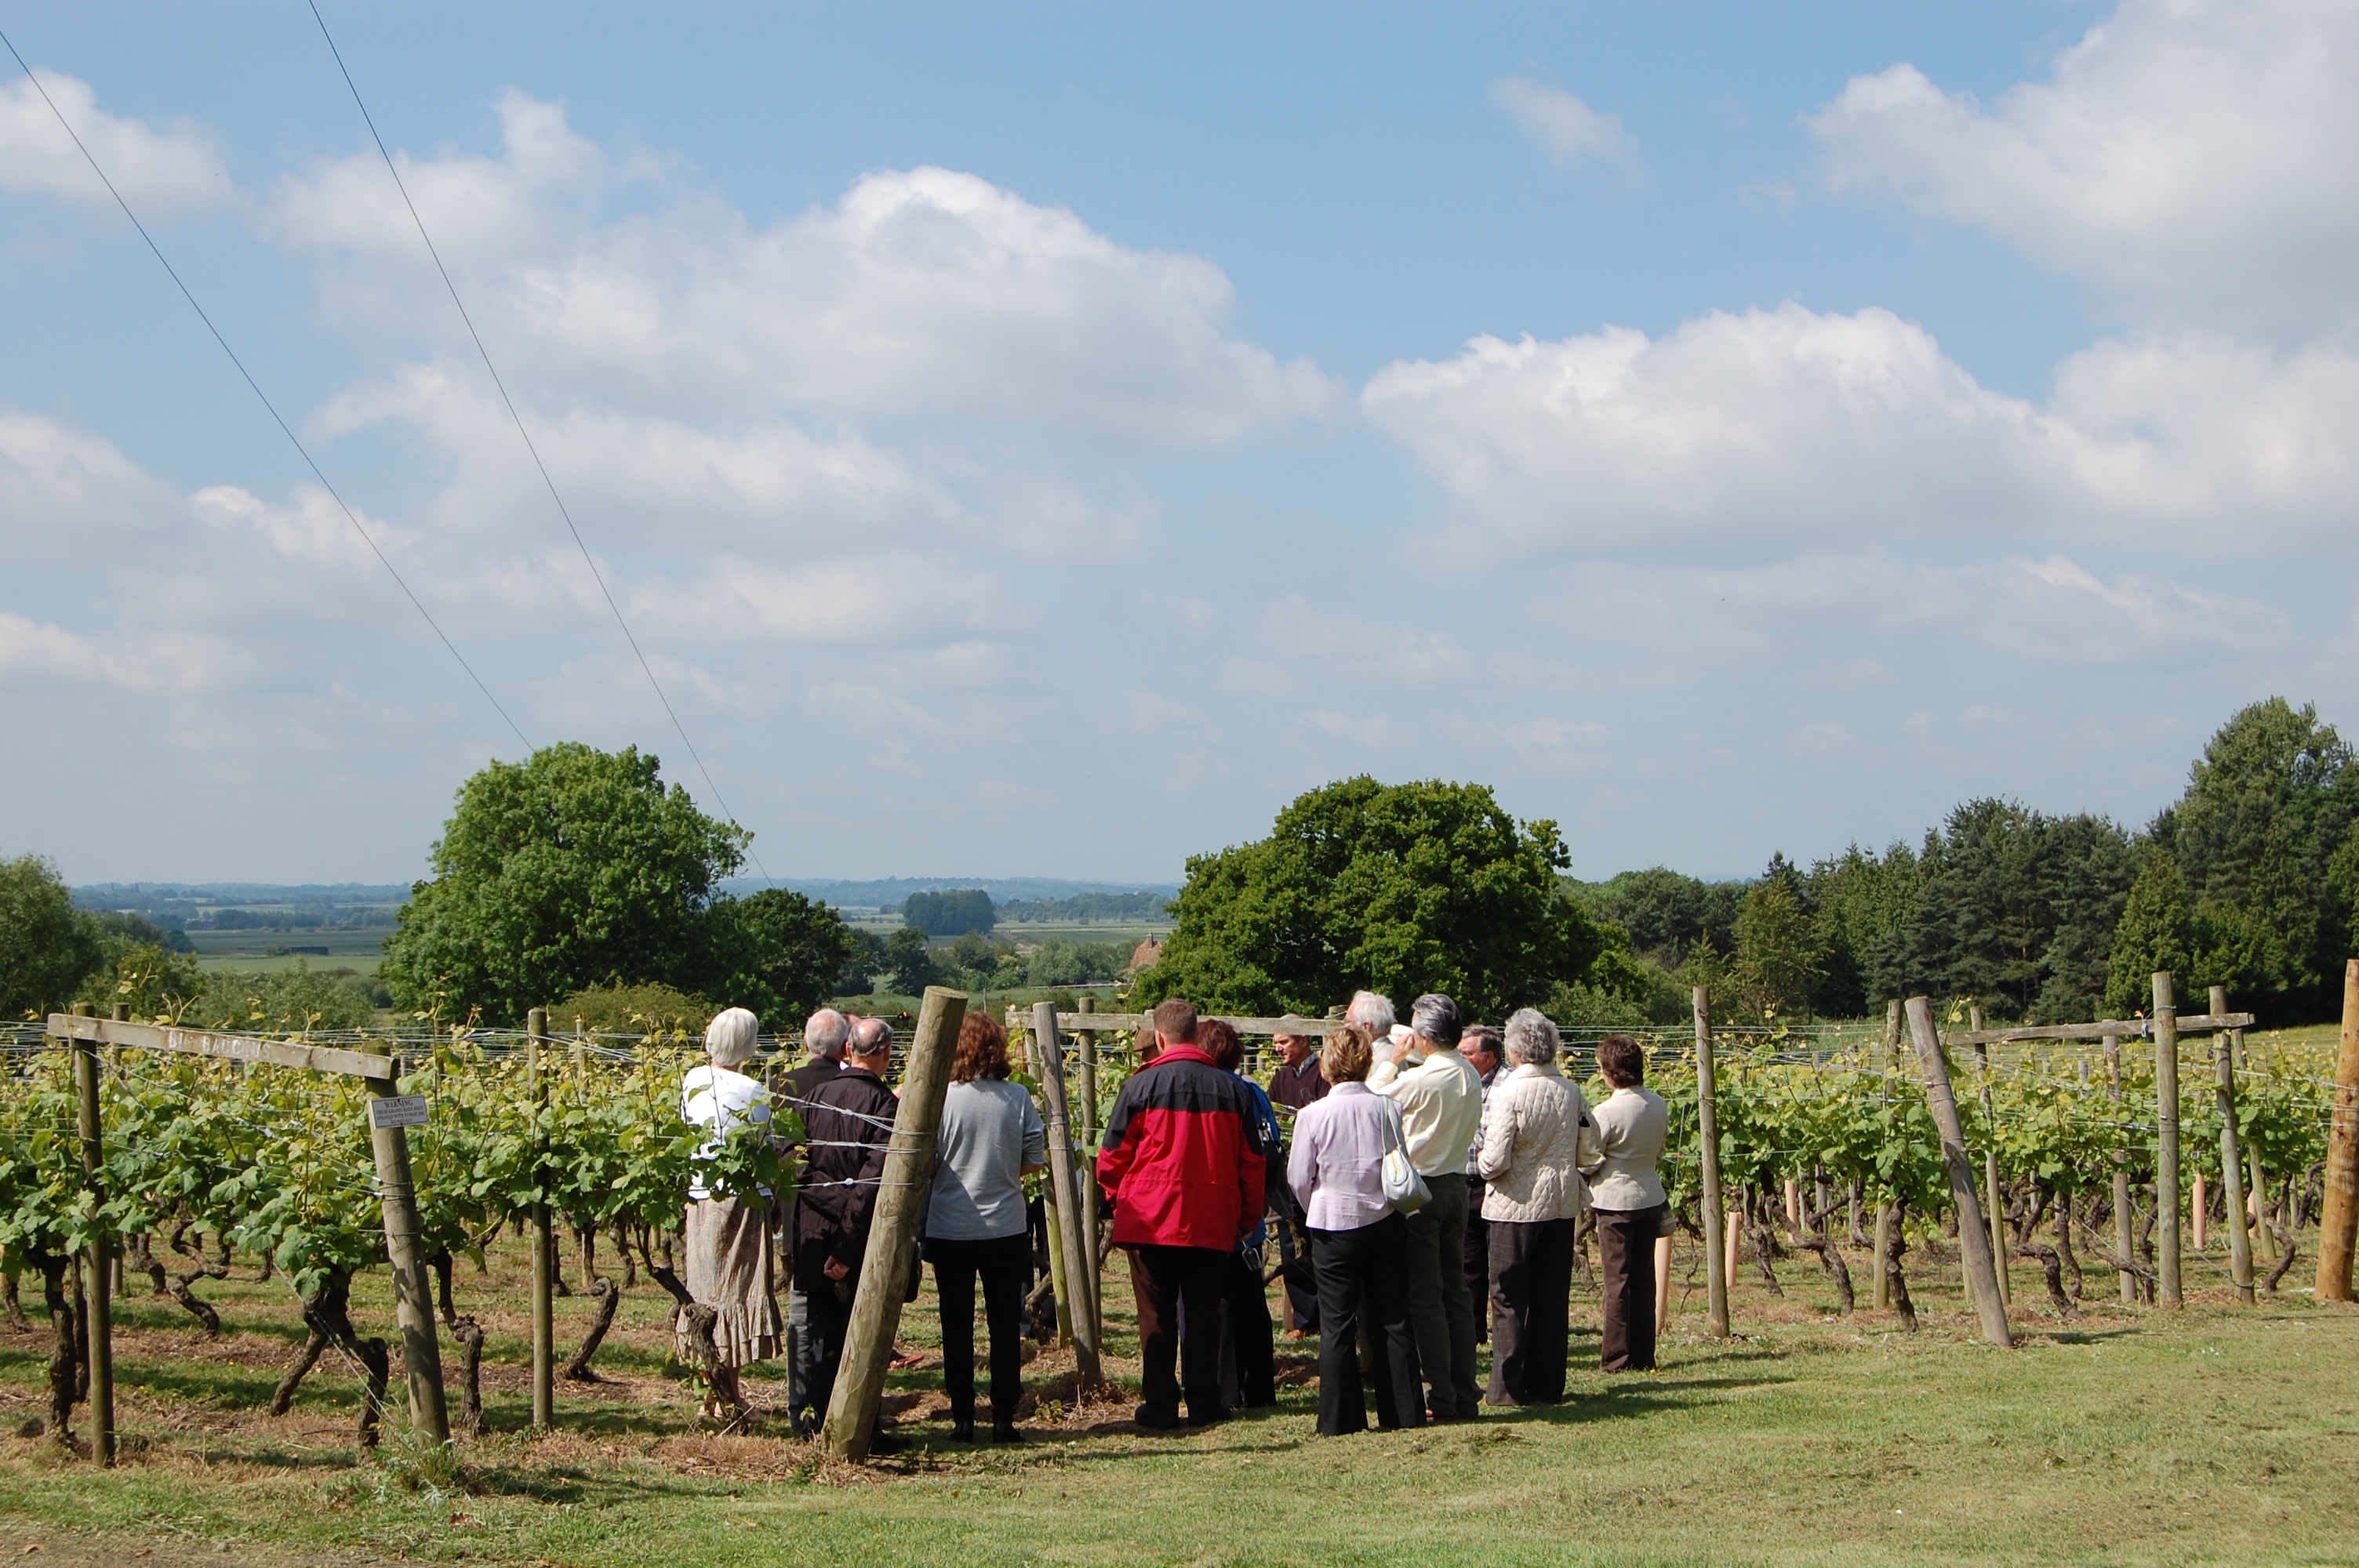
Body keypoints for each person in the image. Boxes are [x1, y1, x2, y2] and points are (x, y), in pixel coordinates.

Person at [1097, 997, 1268, 1430]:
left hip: (1150, 1220)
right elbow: (1251, 1162)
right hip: (1212, 1219)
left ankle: (1160, 1405)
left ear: (1159, 1036)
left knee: (1155, 1316)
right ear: (1195, 1033)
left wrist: (1122, 1201)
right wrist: (1246, 1218)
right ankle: (1204, 1401)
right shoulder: (1233, 1089)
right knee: (1204, 1313)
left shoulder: (1140, 1086)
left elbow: (1112, 1157)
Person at [1288, 1023, 1423, 1435]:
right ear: (1367, 1064)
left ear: (1327, 1069)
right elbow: (1395, 1161)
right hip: (1383, 1219)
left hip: (1333, 1224)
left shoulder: (1312, 1115)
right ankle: (1402, 1412)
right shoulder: (1387, 1108)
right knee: (1393, 1317)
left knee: (1337, 1322)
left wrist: (1318, 1207)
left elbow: (1297, 1177)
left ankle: (1340, 1418)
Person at [925, 1013, 1045, 1442]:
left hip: (950, 1226)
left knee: (955, 1324)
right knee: (1005, 1323)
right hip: (1005, 1226)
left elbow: (926, 1162)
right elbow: (1035, 1156)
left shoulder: (940, 1099)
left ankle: (961, 1415)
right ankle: (1004, 1416)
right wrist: (1004, 1173)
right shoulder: (1016, 1098)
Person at [1366, 991, 1485, 1421]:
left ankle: (1442, 1394)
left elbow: (1373, 1098)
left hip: (1421, 1190)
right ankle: (1465, 1391)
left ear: (1425, 1037)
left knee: (1426, 1296)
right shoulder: (1469, 1075)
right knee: (1456, 1291)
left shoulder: (1421, 1078)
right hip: (1457, 1183)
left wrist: (1393, 1059)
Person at [1478, 1007, 1595, 1406]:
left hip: (1515, 1205)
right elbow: (1587, 1146)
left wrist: (1478, 1162)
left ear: (1513, 1050)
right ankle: (1547, 1386)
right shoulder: (1571, 1090)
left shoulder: (1509, 1092)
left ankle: (1507, 1388)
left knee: (1508, 1295)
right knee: (1551, 1296)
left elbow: (1494, 1159)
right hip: (1561, 1204)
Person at [790, 1016, 900, 1439]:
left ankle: (813, 1424)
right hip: (858, 1242)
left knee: (816, 1334)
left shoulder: (815, 1097)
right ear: (886, 1053)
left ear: (849, 1049)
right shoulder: (886, 1107)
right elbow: (872, 1184)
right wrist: (848, 1247)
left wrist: (825, 1201)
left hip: (813, 1234)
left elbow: (791, 1161)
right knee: (858, 1338)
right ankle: (856, 1430)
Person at [678, 1007, 784, 1420]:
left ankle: (714, 1393)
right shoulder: (754, 1091)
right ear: (749, 1045)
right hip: (743, 1199)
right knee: (735, 1292)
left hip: (701, 1197)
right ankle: (729, 1397)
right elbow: (766, 1151)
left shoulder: (692, 1081)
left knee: (705, 1290)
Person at [1198, 1019, 1280, 1409]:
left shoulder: (1208, 1092)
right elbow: (1272, 1146)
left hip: (1215, 1215)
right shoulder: (1254, 1092)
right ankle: (1261, 1389)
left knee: (1220, 1307)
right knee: (1253, 1306)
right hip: (1252, 1217)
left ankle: (1227, 1391)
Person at [779, 1007, 851, 1426]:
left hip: (798, 1219)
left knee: (803, 1318)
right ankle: (838, 1404)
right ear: (844, 1047)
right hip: (846, 1220)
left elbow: (781, 1160)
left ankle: (800, 1406)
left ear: (806, 1044)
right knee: (842, 1318)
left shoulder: (782, 1086)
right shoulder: (850, 1089)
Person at [1584, 1033, 1670, 1373]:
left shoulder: (1606, 1111)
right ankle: (1643, 1353)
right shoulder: (1659, 1104)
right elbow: (1660, 1151)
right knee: (1643, 1278)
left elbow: (1590, 1158)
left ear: (1609, 1072)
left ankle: (1616, 1358)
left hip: (1615, 1201)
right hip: (1649, 1195)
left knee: (1617, 1281)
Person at [1266, 1015, 1328, 1338]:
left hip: (1318, 1175)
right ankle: (1305, 1320)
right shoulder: (1280, 1079)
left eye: (1284, 1041)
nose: (1278, 1048)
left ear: (1304, 1039)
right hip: (1287, 1174)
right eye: (1275, 1042)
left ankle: (1325, 1315)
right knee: (1291, 1244)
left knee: (1320, 1244)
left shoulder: (1324, 1075)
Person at [1460, 1024, 1504, 1343]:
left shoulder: (1508, 1084)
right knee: (1468, 1265)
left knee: (1502, 1267)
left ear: (1488, 1056)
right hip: (1466, 1183)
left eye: (1467, 1053)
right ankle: (1473, 1332)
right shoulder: (1462, 1080)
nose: (1461, 1058)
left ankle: (1505, 1334)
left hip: (1498, 1183)